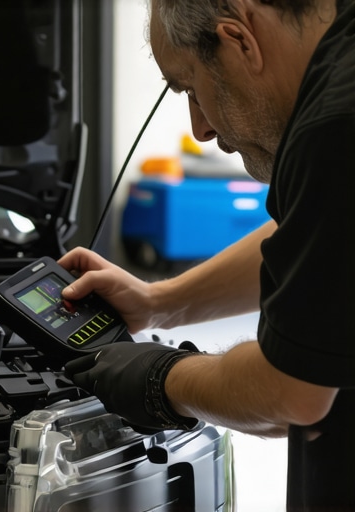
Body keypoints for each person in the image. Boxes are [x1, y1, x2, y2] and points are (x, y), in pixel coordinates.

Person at [59, 0, 355, 510]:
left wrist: (159, 377)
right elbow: (318, 238)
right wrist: (159, 302)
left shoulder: (335, 122)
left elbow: (289, 395)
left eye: (192, 89)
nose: (200, 128)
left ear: (240, 40)